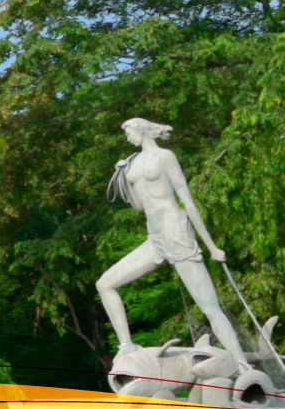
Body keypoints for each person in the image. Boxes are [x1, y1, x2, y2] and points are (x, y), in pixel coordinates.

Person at [95, 117, 243, 357]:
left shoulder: (165, 157)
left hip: (176, 232)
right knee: (104, 284)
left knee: (210, 307)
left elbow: (187, 200)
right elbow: (139, 206)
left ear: (142, 130)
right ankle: (127, 345)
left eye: (129, 132)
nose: (127, 138)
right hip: (155, 238)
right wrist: (124, 178)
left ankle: (241, 363)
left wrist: (211, 247)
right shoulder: (133, 162)